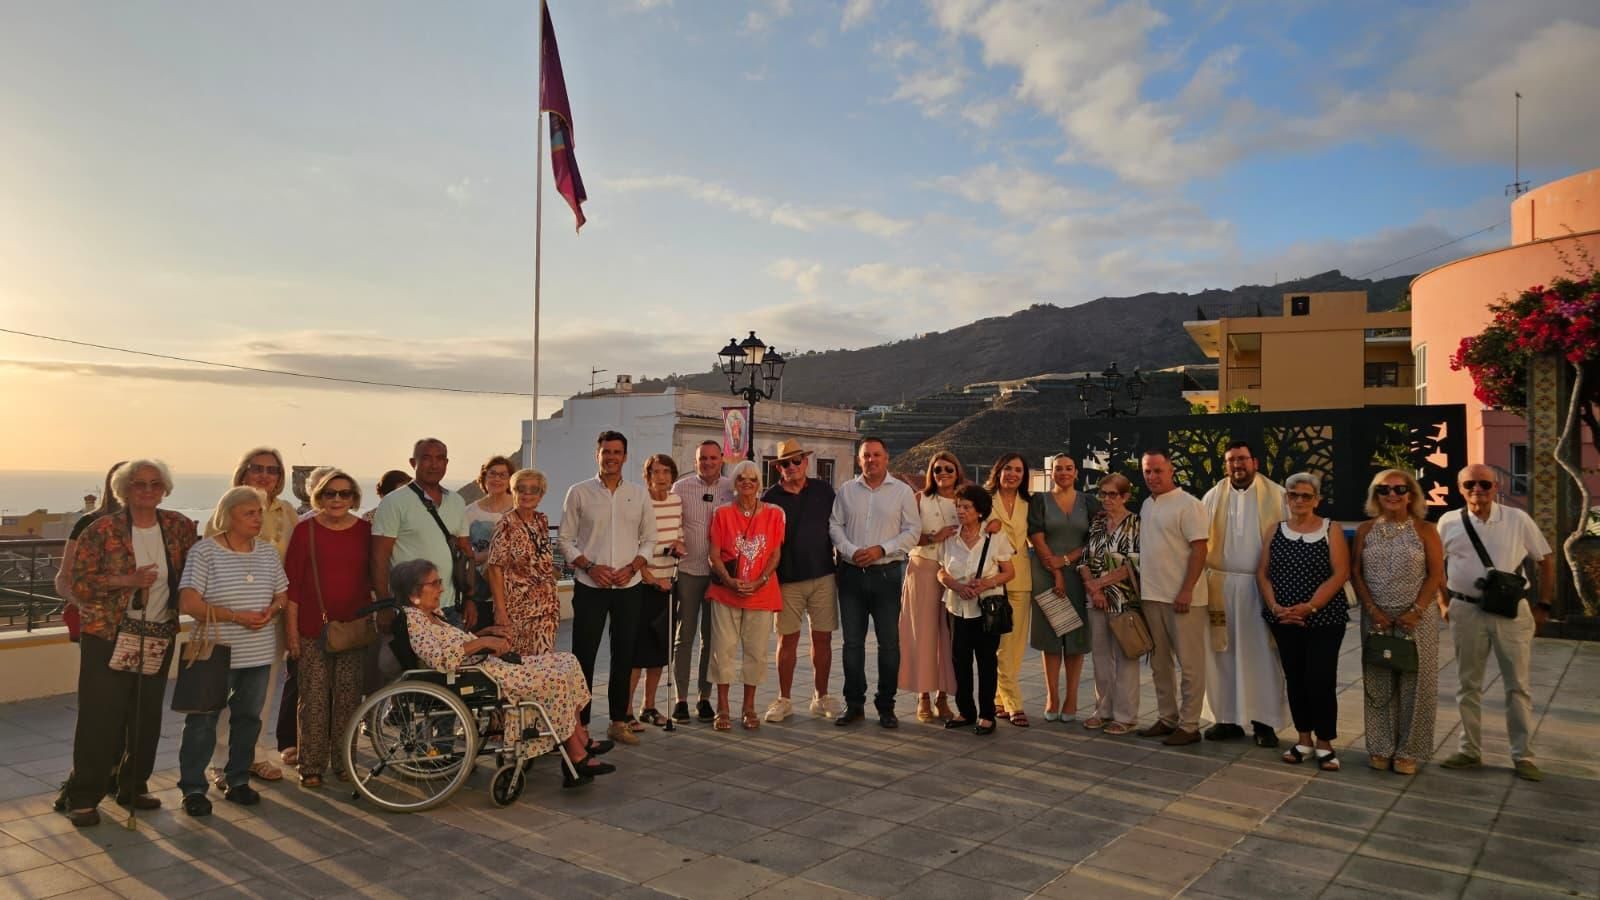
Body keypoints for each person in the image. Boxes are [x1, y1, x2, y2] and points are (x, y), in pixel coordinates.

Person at [393, 559, 615, 787]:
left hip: (488, 667)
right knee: (555, 678)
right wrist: (483, 643)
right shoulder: (416, 622)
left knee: (568, 662)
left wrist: (484, 634)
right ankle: (577, 755)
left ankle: (579, 739)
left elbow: (457, 644)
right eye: (434, 583)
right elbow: (441, 659)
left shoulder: (433, 616)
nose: (441, 587)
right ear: (414, 594)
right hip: (482, 676)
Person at [60, 460, 197, 827]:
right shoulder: (101, 529)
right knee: (99, 717)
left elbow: (194, 569)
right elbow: (79, 584)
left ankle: (132, 785)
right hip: (107, 634)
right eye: (139, 484)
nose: (148, 491)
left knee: (145, 715)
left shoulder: (179, 526)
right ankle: (84, 796)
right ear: (124, 490)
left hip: (157, 632)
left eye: (155, 484)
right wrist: (127, 580)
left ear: (165, 489)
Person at [176, 487, 290, 816]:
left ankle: (237, 779)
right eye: (249, 513)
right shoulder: (205, 553)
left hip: (257, 653)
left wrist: (272, 610)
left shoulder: (267, 553)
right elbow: (189, 603)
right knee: (202, 720)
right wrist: (236, 617)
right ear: (228, 517)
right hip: (216, 652)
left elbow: (282, 595)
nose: (258, 519)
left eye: (259, 513)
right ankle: (193, 788)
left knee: (248, 720)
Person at [1437, 465, 1554, 782]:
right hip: (1466, 610)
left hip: (1511, 612)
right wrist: (1443, 603)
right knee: (1467, 685)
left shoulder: (1517, 519)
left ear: (1496, 486)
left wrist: (1543, 603)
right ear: (1461, 488)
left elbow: (1544, 559)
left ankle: (1523, 755)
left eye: (1484, 483)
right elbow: (1436, 564)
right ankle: (1469, 750)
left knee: (1517, 686)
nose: (1478, 489)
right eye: (1470, 484)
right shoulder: (1449, 522)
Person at [559, 430, 656, 747]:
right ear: (596, 454)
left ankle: (618, 721)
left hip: (630, 585)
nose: (611, 456)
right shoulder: (579, 492)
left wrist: (632, 567)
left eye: (617, 452)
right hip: (591, 584)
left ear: (625, 457)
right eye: (605, 451)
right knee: (583, 655)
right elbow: (564, 540)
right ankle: (580, 726)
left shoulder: (639, 494)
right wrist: (590, 566)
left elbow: (650, 539)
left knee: (624, 654)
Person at [282, 469, 372, 788]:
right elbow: (291, 587)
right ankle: (311, 765)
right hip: (311, 629)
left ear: (354, 497)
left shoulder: (365, 531)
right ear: (319, 496)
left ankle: (344, 763)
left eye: (344, 493)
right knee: (314, 699)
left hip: (352, 629)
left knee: (348, 700)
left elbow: (374, 577)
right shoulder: (304, 531)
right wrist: (290, 633)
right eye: (330, 493)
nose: (337, 499)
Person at [1351, 469, 1443, 776]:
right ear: (1374, 495)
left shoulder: (1426, 529)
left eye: (1399, 489)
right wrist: (1372, 609)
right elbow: (1356, 572)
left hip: (1416, 619)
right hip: (1375, 617)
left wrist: (1415, 611)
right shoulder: (1365, 529)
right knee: (1378, 681)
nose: (1392, 494)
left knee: (1415, 684)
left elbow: (1436, 574)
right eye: (1384, 489)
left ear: (1411, 494)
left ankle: (1408, 751)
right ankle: (1380, 746)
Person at [1258, 473, 1350, 772]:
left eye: (1306, 496)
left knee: (1320, 678)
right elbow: (1263, 573)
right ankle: (1303, 739)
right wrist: (1275, 606)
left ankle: (1325, 742)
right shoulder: (1275, 530)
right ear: (1286, 498)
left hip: (1323, 619)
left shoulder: (1330, 529)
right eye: (1293, 495)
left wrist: (1310, 607)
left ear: (1317, 500)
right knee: (1295, 678)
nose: (1299, 500)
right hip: (1283, 618)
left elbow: (1340, 573)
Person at [1200, 440, 1289, 748]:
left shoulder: (1277, 496)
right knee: (1221, 654)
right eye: (1231, 461)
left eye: (1242, 459)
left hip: (1260, 588)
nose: (1236, 465)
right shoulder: (1212, 496)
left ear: (1255, 462)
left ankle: (1264, 722)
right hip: (1220, 587)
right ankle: (1226, 719)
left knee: (1260, 656)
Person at [215, 447, 297, 781]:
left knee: (261, 694)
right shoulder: (229, 507)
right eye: (257, 468)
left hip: (272, 617)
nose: (265, 475)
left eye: (273, 470)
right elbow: (213, 557)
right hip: (234, 618)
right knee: (227, 695)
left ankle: (254, 755)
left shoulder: (287, 512)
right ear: (243, 472)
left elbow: (295, 564)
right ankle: (221, 762)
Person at [829, 437, 920, 728]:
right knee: (852, 644)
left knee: (889, 644)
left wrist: (882, 548)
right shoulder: (846, 491)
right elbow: (834, 525)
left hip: (887, 574)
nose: (871, 460)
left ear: (887, 457)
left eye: (876, 455)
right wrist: (849, 550)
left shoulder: (903, 492)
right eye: (866, 455)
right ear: (859, 460)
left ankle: (886, 706)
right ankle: (854, 704)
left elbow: (913, 531)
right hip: (852, 575)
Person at [761, 438, 841, 722]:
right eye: (786, 463)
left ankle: (820, 697)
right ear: (779, 468)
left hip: (822, 575)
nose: (792, 466)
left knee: (823, 639)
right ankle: (784, 699)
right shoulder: (769, 499)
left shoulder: (823, 490)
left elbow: (838, 528)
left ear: (806, 462)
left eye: (797, 461)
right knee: (787, 641)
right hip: (786, 580)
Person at [705, 460, 785, 731]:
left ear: (759, 484)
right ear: (734, 483)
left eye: (752, 479)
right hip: (726, 592)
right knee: (722, 650)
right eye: (741, 479)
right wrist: (729, 580)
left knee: (756, 652)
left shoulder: (775, 514)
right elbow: (713, 554)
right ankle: (723, 706)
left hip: (761, 593)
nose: (747, 483)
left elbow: (775, 554)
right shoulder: (722, 514)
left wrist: (761, 581)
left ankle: (749, 706)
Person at [1136, 448, 1209, 746]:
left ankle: (1190, 725)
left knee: (1190, 664)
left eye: (1158, 470)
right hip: (1152, 596)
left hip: (1183, 599)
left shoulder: (1189, 505)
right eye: (1147, 471)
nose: (1152, 476)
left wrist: (1187, 589)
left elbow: (1200, 548)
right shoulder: (1147, 505)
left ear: (1171, 470)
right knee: (1160, 663)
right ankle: (1168, 718)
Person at [937, 485, 1016, 735]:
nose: (960, 511)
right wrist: (957, 586)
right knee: (960, 661)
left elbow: (1009, 572)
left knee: (986, 661)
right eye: (958, 506)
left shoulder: (995, 537)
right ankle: (966, 711)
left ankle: (986, 714)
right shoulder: (950, 537)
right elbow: (941, 571)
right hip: (957, 608)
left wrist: (986, 583)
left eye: (966, 507)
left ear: (980, 511)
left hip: (987, 609)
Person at [372, 438, 473, 627]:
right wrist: (384, 606)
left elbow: (465, 551)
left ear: (446, 463)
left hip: (450, 607)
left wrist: (469, 599)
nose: (434, 464)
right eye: (426, 458)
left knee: (454, 657)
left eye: (440, 458)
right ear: (413, 463)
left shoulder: (457, 501)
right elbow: (379, 557)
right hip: (410, 609)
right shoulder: (394, 502)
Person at [1029, 455, 1098, 723]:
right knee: (1052, 637)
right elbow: (1036, 537)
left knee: (1075, 639)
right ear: (1051, 472)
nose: (1064, 472)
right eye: (1058, 469)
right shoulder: (1040, 501)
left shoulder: (1088, 502)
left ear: (1076, 472)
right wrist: (1056, 569)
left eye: (1069, 468)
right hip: (1047, 572)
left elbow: (1094, 538)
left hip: (1079, 573)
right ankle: (1052, 696)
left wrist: (1068, 560)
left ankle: (1071, 698)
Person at [669, 441, 734, 723]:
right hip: (688, 571)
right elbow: (672, 525)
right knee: (685, 636)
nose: (707, 463)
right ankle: (680, 699)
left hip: (719, 575)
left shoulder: (731, 487)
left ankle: (703, 698)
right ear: (695, 461)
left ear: (721, 459)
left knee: (712, 638)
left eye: (712, 458)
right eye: (702, 458)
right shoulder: (681, 488)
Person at [900, 452, 962, 723]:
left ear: (957, 471)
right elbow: (905, 534)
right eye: (937, 469)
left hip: (954, 573)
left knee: (949, 638)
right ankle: (923, 695)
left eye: (948, 469)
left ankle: (943, 696)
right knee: (923, 635)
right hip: (923, 569)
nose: (943, 473)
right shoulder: (920, 499)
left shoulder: (965, 501)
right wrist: (934, 537)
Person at [1078, 473, 1141, 735]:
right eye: (1102, 494)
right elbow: (1084, 559)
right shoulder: (1097, 523)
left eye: (1112, 494)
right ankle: (1102, 710)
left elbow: (1133, 563)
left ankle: (1125, 715)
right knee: (1101, 658)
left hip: (1123, 600)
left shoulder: (1136, 523)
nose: (1106, 499)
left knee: (1126, 657)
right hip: (1096, 600)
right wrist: (1092, 587)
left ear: (1125, 496)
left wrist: (1099, 584)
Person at [632, 453, 684, 728]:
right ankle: (625, 713)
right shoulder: (641, 504)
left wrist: (680, 545)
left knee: (659, 651)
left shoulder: (676, 502)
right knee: (637, 654)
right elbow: (632, 549)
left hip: (668, 584)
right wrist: (652, 579)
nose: (661, 477)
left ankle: (648, 707)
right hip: (643, 585)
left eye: (666, 472)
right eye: (655, 472)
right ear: (647, 476)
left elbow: (678, 535)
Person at [486, 469, 562, 657]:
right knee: (519, 665)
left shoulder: (541, 520)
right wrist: (501, 612)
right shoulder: (506, 525)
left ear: (541, 494)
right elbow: (494, 568)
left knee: (543, 662)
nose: (527, 494)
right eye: (521, 489)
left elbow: (540, 557)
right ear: (513, 492)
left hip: (546, 609)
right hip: (517, 611)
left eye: (533, 490)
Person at [984, 454, 1033, 726]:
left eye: (1018, 470)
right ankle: (1014, 703)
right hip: (994, 578)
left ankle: (1000, 700)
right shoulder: (985, 499)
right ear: (998, 471)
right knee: (998, 645)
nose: (1012, 474)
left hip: (1021, 578)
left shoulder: (1030, 504)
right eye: (1008, 469)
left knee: (1014, 647)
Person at [55, 461, 126, 643]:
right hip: (99, 626)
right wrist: (80, 604)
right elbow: (63, 578)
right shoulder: (89, 523)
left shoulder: (154, 526)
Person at [461, 455, 516, 628]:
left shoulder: (520, 509)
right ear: (483, 478)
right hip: (480, 592)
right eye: (492, 474)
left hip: (515, 592)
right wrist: (492, 553)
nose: (497, 479)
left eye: (503, 475)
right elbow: (464, 554)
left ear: (510, 480)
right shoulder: (469, 512)